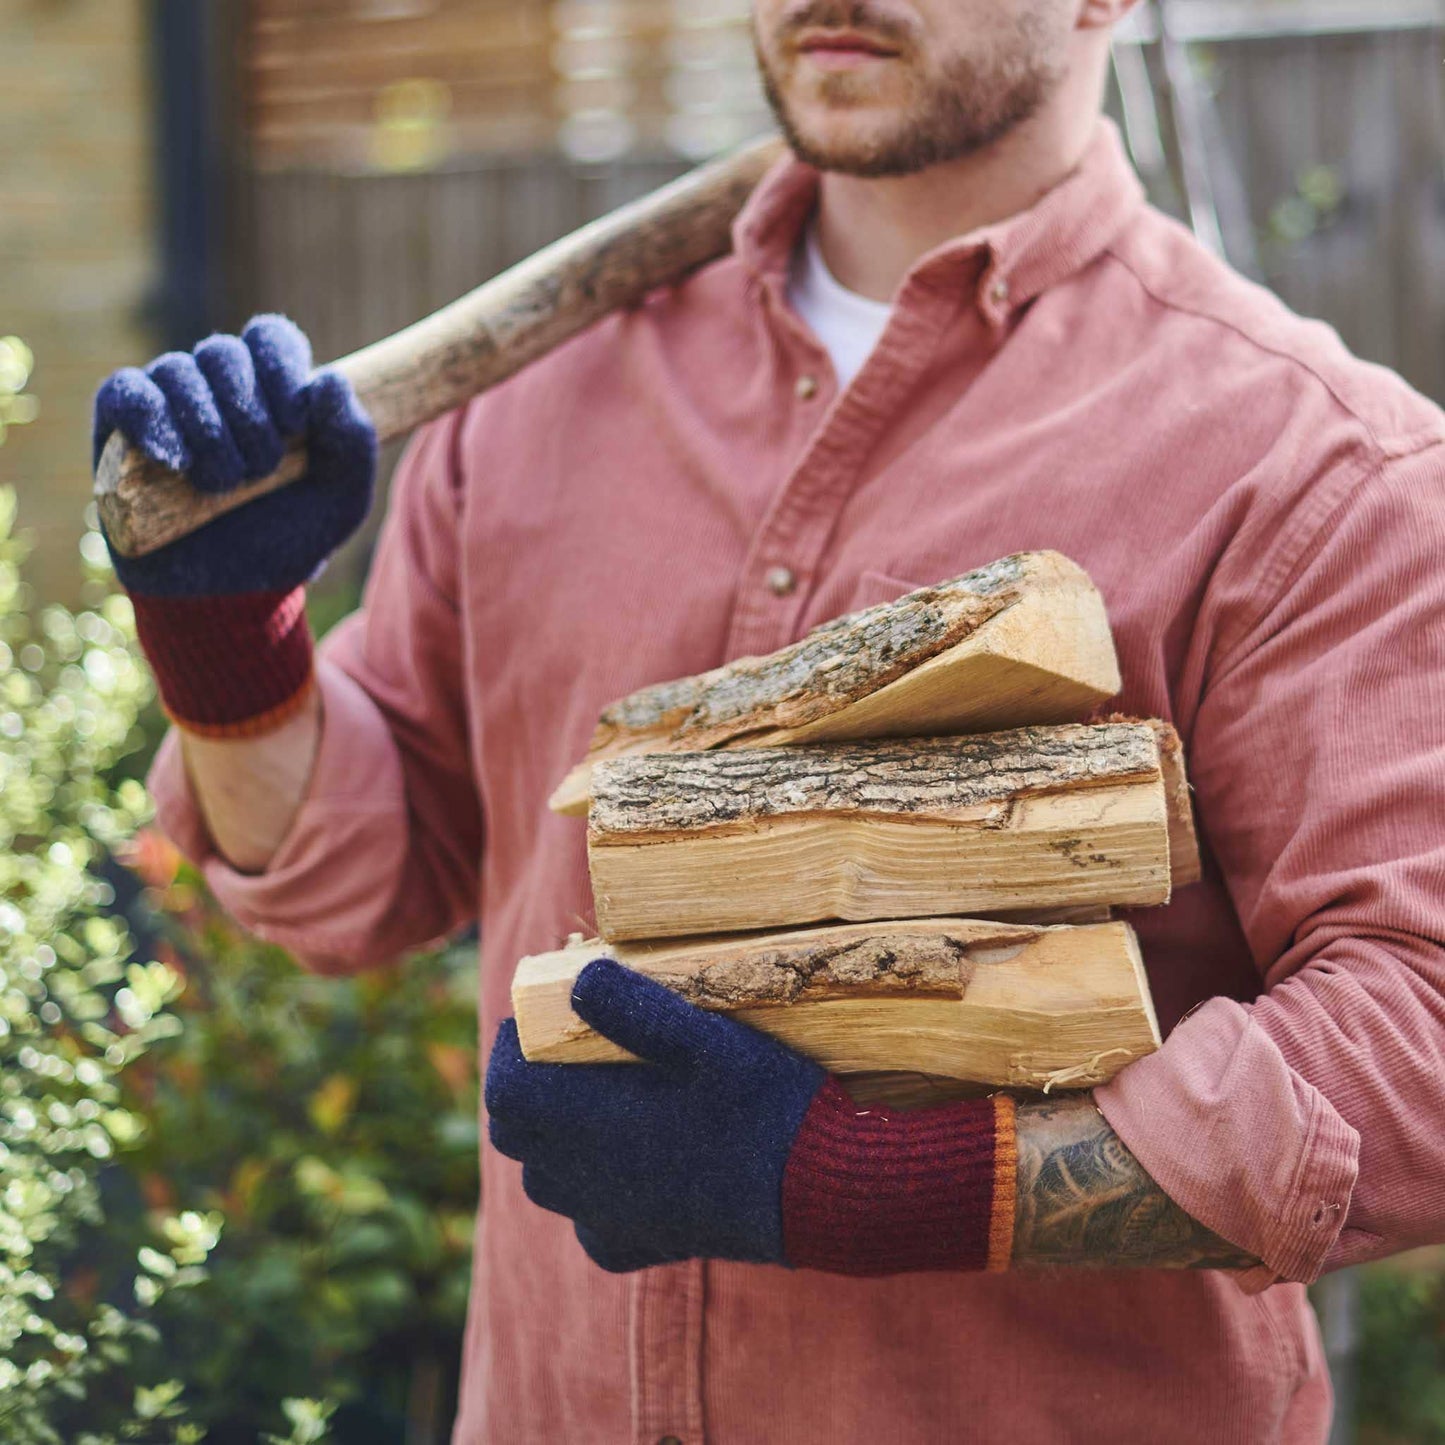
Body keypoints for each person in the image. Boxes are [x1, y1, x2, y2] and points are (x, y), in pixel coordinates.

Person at [95, 0, 1445, 1439]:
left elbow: (1417, 1034)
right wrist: (230, 635)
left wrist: (876, 1178)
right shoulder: (541, 395)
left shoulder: (1311, 468)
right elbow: (360, 879)